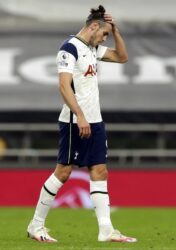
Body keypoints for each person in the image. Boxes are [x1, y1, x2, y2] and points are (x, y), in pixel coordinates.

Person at [27, 5, 137, 243]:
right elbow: (63, 86)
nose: (104, 38)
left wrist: (116, 30)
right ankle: (36, 225)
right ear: (93, 26)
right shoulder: (69, 49)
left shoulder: (92, 48)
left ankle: (106, 230)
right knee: (63, 172)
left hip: (95, 120)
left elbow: (122, 57)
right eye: (105, 33)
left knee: (100, 170)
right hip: (74, 121)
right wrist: (80, 115)